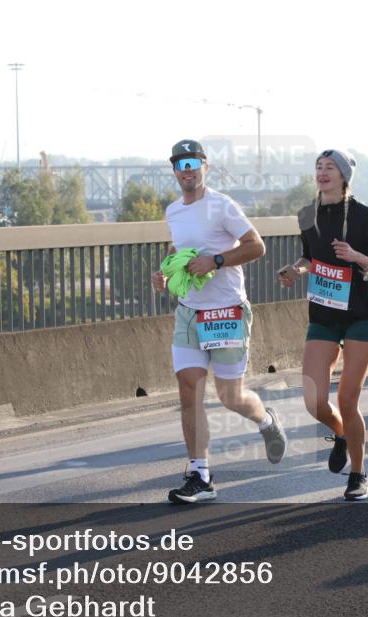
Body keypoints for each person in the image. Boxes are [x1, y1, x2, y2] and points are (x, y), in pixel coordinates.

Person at [151, 139, 288, 504]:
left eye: (193, 162)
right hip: (189, 312)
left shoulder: (222, 205)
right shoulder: (173, 211)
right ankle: (200, 474)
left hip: (226, 312)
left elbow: (256, 246)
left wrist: (216, 261)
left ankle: (265, 421)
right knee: (189, 391)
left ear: (205, 167)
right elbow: (180, 250)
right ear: (175, 171)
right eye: (179, 164)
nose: (186, 169)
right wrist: (167, 273)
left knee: (230, 397)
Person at [277, 149, 368, 501]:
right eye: (318, 167)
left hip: (359, 315)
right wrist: (297, 269)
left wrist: (358, 257)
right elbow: (310, 257)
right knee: (313, 401)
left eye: (330, 168)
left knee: (347, 398)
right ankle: (342, 434)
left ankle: (359, 474)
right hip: (324, 316)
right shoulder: (306, 214)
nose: (322, 173)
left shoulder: (362, 216)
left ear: (344, 176)